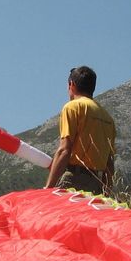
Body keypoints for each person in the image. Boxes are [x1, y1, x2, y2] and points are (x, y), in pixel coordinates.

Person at [44, 65, 116, 196]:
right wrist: (106, 194)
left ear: (71, 84)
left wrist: (48, 187)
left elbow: (64, 150)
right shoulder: (107, 118)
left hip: (73, 179)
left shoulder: (72, 107)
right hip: (95, 183)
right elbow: (109, 163)